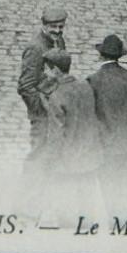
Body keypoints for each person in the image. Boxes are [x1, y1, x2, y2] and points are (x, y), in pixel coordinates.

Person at [40, 48, 105, 227]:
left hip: (68, 155)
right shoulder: (85, 85)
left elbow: (56, 133)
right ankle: (88, 224)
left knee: (64, 193)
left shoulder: (57, 95)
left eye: (46, 69)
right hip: (90, 150)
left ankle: (65, 226)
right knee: (87, 192)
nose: (44, 73)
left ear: (55, 70)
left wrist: (49, 158)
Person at [88, 33, 127, 214]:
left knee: (108, 185)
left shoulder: (93, 80)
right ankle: (126, 222)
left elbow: (91, 113)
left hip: (106, 143)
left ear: (101, 56)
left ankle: (113, 220)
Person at [17, 7, 68, 213]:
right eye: (53, 27)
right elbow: (25, 87)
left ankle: (43, 203)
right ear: (43, 26)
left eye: (60, 27)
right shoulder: (35, 48)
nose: (57, 31)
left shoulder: (59, 42)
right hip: (43, 114)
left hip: (56, 110)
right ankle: (23, 206)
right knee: (37, 157)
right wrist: (41, 111)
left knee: (53, 156)